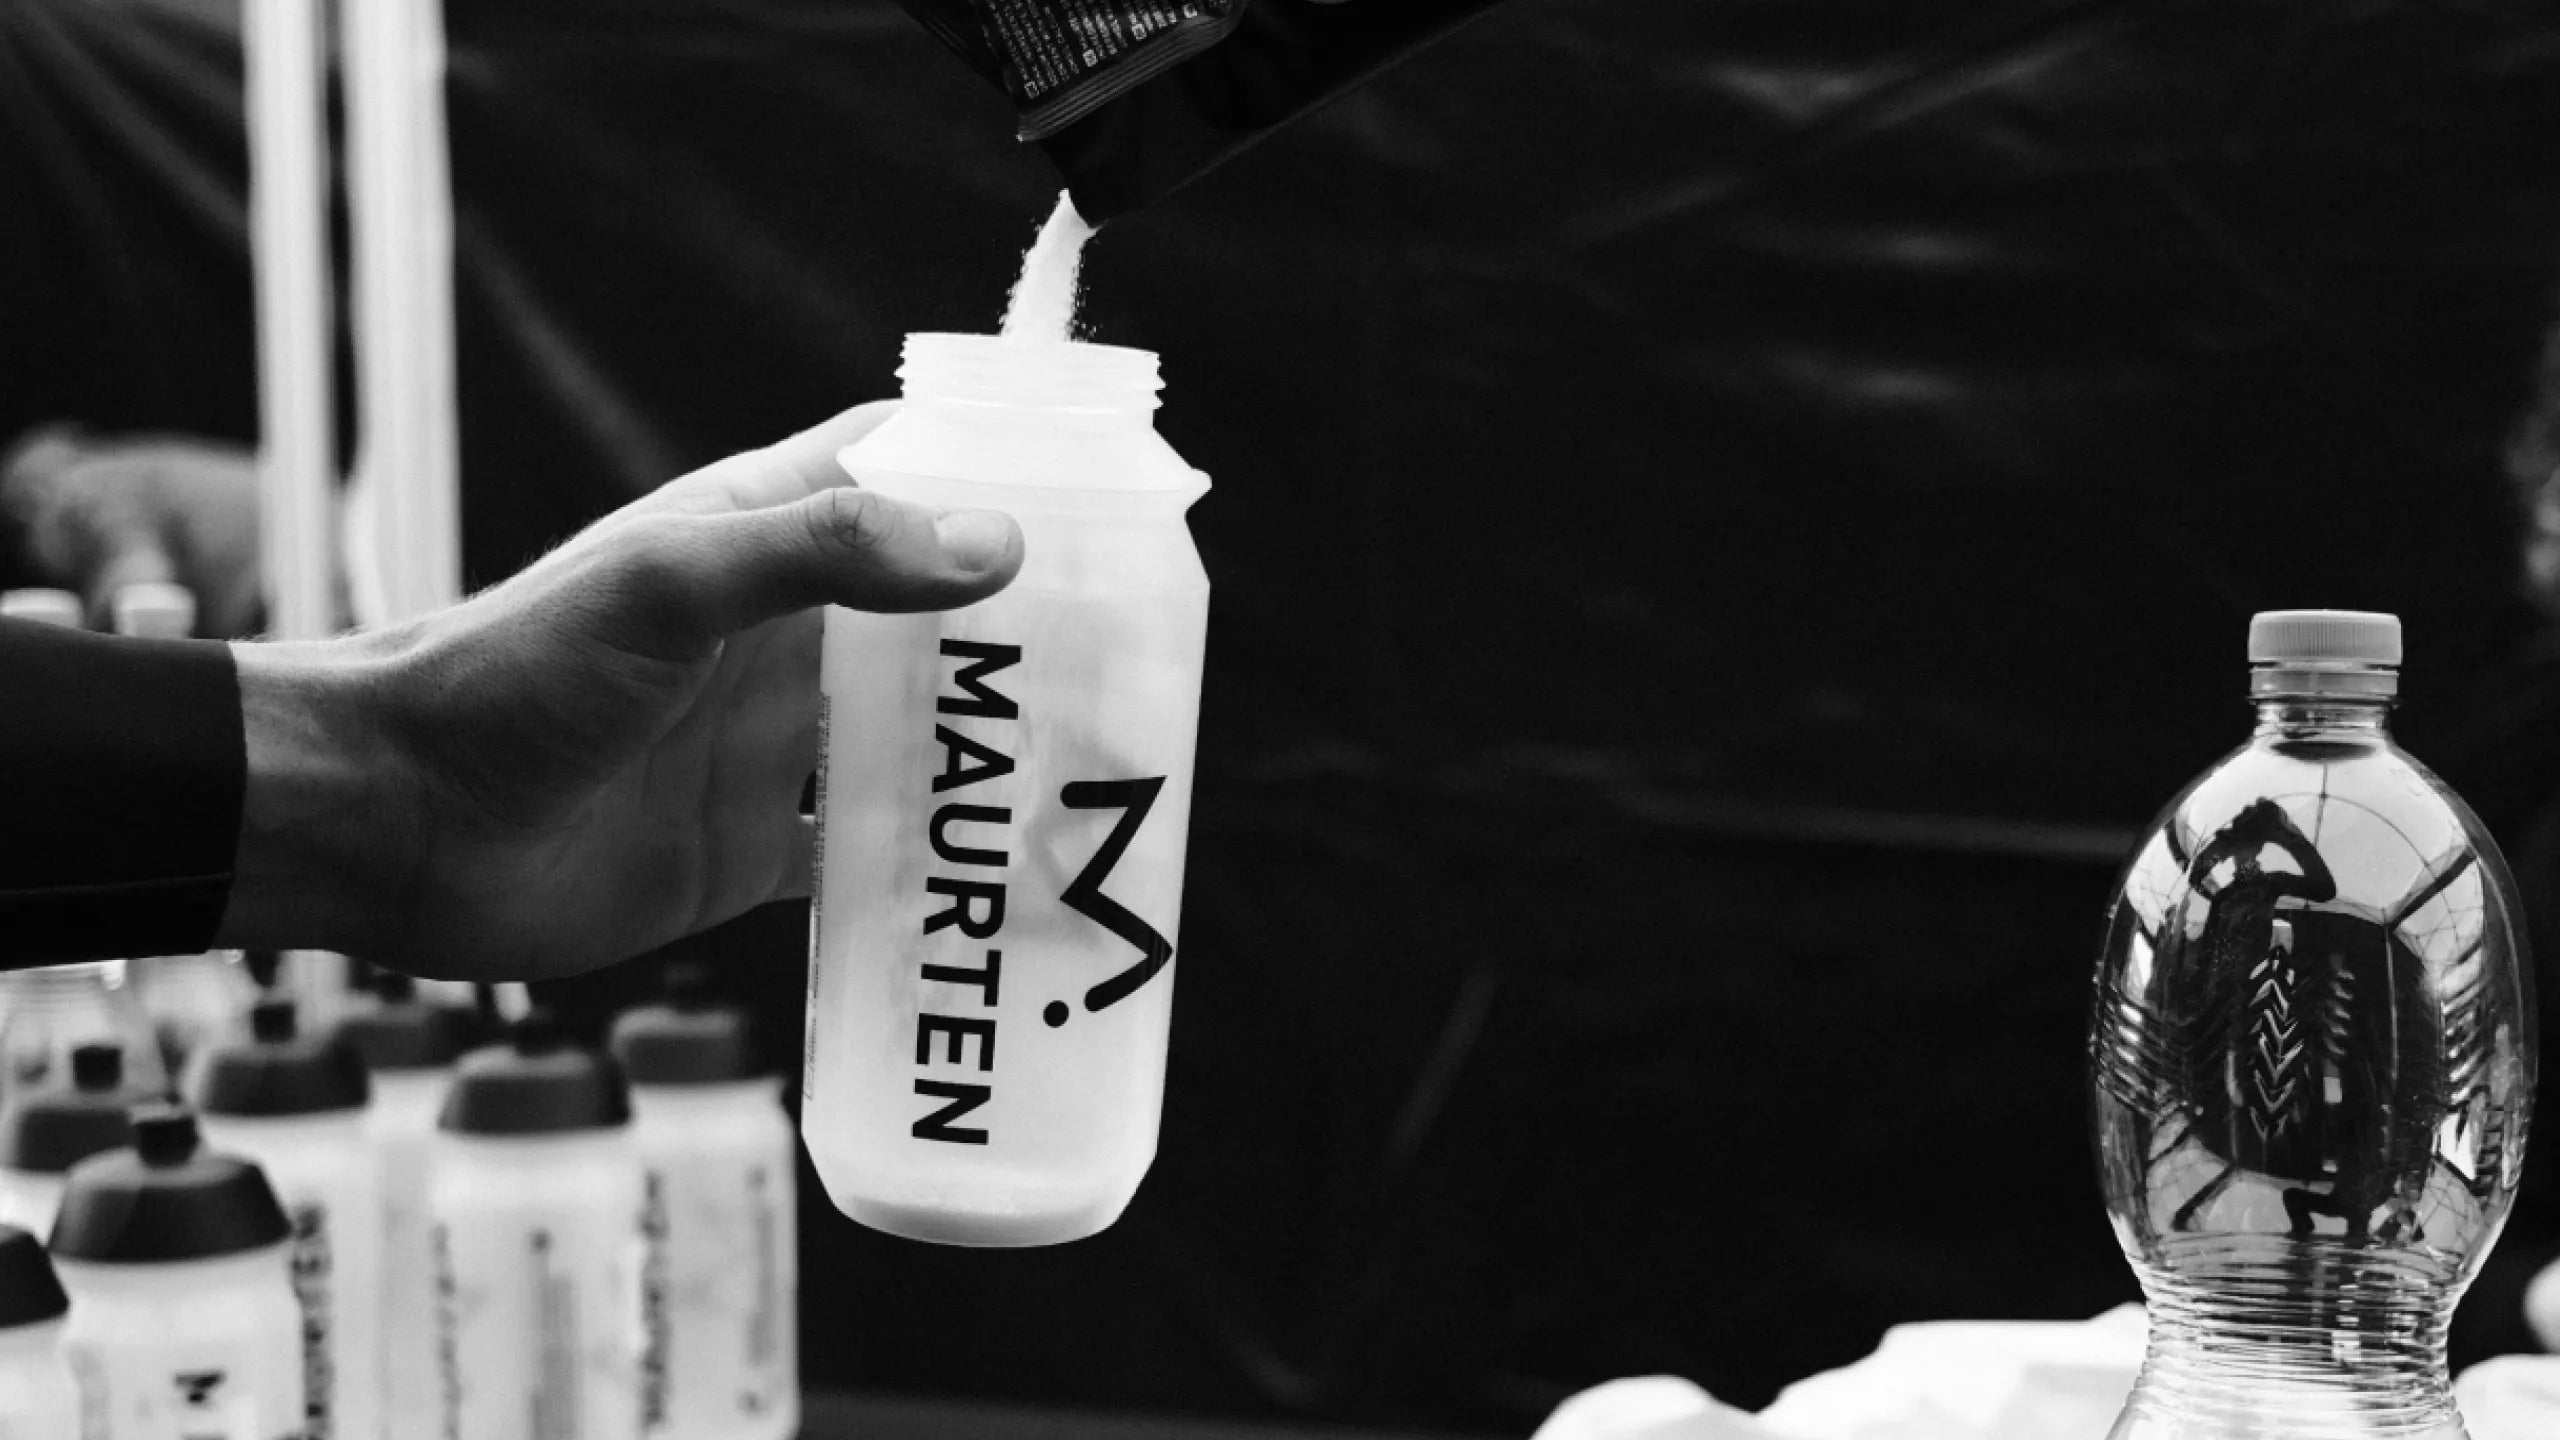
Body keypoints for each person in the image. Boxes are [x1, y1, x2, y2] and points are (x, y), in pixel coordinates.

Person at [0, 402, 1022, 979]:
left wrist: (396, 762)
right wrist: (392, 770)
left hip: (285, 593)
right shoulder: (134, 473)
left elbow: (139, 594)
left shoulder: (86, 495)